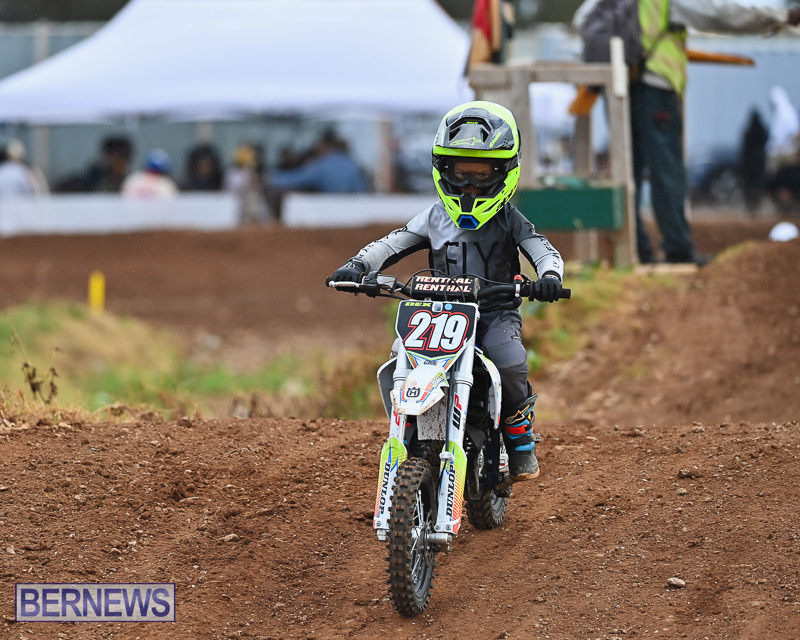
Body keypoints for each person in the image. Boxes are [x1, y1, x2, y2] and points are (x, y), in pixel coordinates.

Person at [330, 101, 565, 483]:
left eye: (481, 173)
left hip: (494, 313)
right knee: (399, 363)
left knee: (509, 362)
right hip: (435, 314)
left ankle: (520, 439)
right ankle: (407, 431)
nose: (470, 184)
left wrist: (550, 276)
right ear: (444, 169)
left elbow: (541, 248)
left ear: (504, 170)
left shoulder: (509, 219)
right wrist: (359, 266)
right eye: (461, 172)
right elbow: (393, 244)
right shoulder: (435, 217)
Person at [574, 0, 800, 265]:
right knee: (667, 170)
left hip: (620, 87)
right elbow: (719, 14)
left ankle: (636, 252)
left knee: (627, 172)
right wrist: (780, 16)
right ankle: (678, 249)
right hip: (656, 86)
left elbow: (582, 20)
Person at [267, 129, 367, 194]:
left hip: (329, 214)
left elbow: (297, 179)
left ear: (325, 145)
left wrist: (271, 178)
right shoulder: (352, 165)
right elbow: (361, 191)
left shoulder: (323, 165)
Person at [740, 108, 769, 214]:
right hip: (758, 163)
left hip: (751, 164)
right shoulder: (761, 130)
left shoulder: (749, 131)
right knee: (756, 185)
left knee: (752, 185)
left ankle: (752, 206)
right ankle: (754, 206)